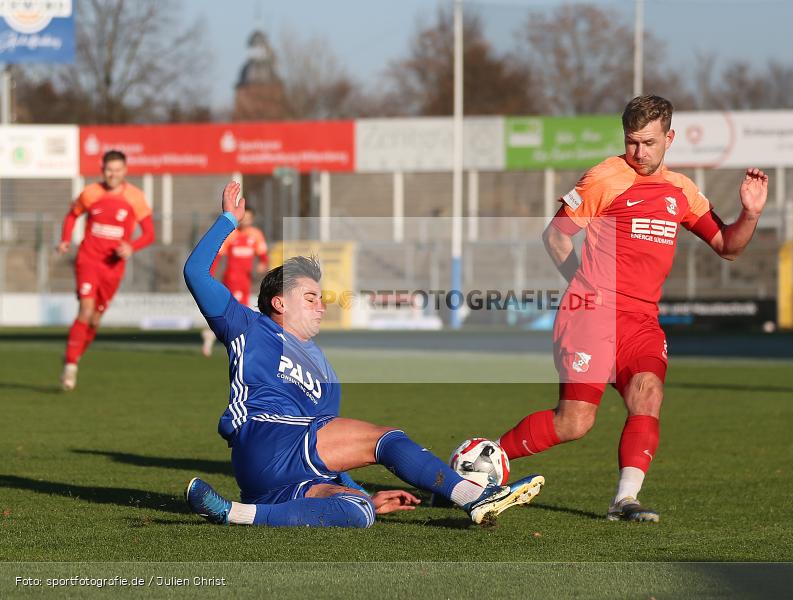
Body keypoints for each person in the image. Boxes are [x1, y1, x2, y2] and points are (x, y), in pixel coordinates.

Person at [183, 181, 544, 528]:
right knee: (385, 440)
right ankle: (473, 495)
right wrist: (228, 220)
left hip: (279, 478)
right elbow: (196, 272)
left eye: (321, 298)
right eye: (310, 298)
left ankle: (234, 513)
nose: (321, 306)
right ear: (279, 303)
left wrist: (363, 495)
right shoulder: (248, 325)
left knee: (358, 511)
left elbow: (328, 445)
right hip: (263, 437)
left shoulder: (325, 372)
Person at [491, 95, 768, 523]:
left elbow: (728, 247)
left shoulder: (681, 191)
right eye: (631, 141)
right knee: (574, 423)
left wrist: (749, 214)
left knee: (648, 395)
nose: (639, 152)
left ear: (669, 139)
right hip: (592, 313)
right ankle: (482, 459)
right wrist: (585, 287)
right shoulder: (606, 177)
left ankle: (624, 501)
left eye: (649, 143)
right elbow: (556, 236)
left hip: (641, 320)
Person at [56, 150, 155, 391]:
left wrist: (131, 247)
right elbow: (72, 215)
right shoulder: (90, 193)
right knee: (86, 309)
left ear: (125, 170)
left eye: (117, 170)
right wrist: (65, 239)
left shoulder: (135, 197)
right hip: (88, 259)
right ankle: (70, 366)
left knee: (95, 319)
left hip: (113, 266)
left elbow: (150, 234)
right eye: (109, 170)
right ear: (102, 170)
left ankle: (74, 353)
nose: (113, 174)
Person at [201, 206, 269, 356]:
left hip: (246, 280)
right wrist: (209, 275)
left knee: (232, 312)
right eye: (244, 218)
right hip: (232, 278)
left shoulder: (256, 235)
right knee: (237, 312)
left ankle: (210, 335)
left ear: (253, 219)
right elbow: (218, 256)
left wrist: (262, 265)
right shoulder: (231, 234)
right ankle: (240, 345)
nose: (246, 221)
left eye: (249, 218)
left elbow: (263, 256)